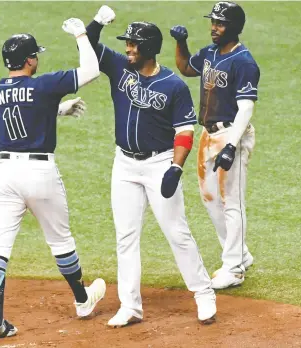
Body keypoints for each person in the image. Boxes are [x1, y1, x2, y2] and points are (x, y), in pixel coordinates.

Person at [84, 5, 217, 327]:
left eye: (133, 44)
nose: (127, 48)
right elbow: (88, 45)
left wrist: (175, 168)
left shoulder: (174, 85)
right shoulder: (119, 67)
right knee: (126, 236)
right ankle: (130, 306)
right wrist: (97, 22)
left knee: (177, 232)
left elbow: (185, 131)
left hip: (159, 164)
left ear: (148, 49)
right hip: (124, 165)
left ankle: (203, 293)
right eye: (127, 43)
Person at [0, 18, 106, 339]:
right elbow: (91, 70)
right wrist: (81, 33)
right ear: (30, 60)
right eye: (36, 55)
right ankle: (82, 300)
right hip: (39, 173)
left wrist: (58, 110)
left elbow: (19, 116)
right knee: (60, 240)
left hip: (4, 173)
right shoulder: (43, 84)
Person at [170, 1, 260, 289]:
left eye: (220, 23)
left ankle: (233, 268)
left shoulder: (244, 62)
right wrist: (181, 42)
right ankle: (239, 254)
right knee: (211, 200)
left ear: (233, 27)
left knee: (232, 202)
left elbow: (245, 108)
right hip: (208, 135)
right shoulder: (210, 53)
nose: (214, 27)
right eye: (213, 22)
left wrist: (232, 146)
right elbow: (185, 68)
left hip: (231, 133)